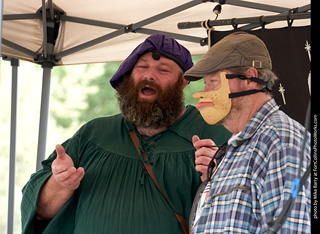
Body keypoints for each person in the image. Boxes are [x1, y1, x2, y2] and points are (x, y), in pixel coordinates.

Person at [21, 33, 231, 234]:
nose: (150, 74)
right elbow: (40, 213)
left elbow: (242, 212)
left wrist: (222, 175)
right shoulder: (94, 135)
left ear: (183, 82)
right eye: (142, 67)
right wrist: (60, 184)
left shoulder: (212, 136)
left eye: (163, 70)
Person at [184, 31, 311, 233]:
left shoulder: (281, 142)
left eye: (213, 82)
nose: (206, 92)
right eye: (205, 83)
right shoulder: (237, 147)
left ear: (249, 78)